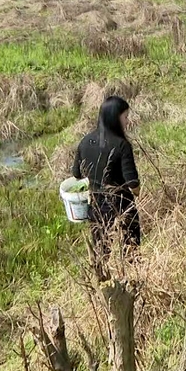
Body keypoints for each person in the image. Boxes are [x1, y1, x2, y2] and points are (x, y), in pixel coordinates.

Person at [72, 96, 141, 255]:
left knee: (101, 252)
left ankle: (102, 278)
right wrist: (137, 192)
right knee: (131, 250)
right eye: (125, 117)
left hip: (96, 206)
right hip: (122, 205)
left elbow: (76, 174)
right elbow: (132, 182)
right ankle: (132, 277)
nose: (127, 121)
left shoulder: (85, 141)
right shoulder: (121, 145)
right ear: (115, 118)